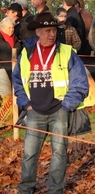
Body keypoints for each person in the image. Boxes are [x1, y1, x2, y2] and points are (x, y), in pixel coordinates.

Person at [12, 12, 89, 194]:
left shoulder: (67, 52)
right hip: (34, 112)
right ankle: (25, 189)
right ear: (37, 32)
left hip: (59, 111)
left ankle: (55, 190)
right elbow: (17, 80)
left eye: (54, 30)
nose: (52, 34)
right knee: (30, 154)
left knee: (59, 154)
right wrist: (26, 104)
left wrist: (66, 106)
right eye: (47, 31)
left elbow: (80, 82)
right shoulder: (27, 52)